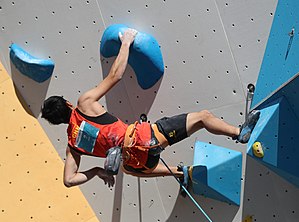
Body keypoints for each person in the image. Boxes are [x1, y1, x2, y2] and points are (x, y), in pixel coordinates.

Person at [41, 28, 260, 189]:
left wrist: (98, 171)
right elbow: (115, 76)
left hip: (139, 164)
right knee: (202, 117)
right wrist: (126, 42)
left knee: (128, 169)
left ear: (58, 122)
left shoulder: (73, 146)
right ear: (68, 104)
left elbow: (69, 180)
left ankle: (180, 173)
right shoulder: (84, 104)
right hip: (145, 140)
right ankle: (239, 133)